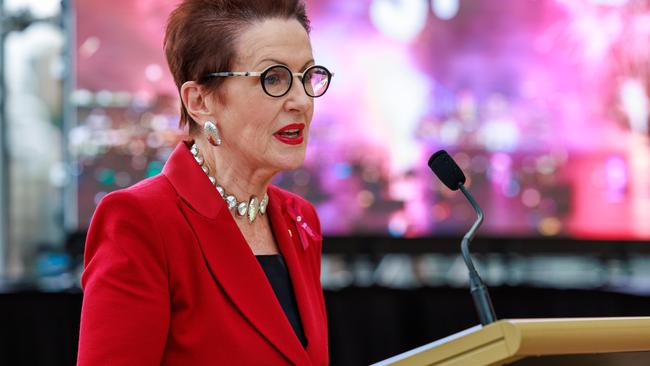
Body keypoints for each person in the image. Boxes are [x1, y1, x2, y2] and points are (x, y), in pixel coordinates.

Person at [77, 1, 332, 364]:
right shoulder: (140, 221)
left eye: (308, 76)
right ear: (199, 101)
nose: (301, 101)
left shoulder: (299, 219)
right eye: (273, 78)